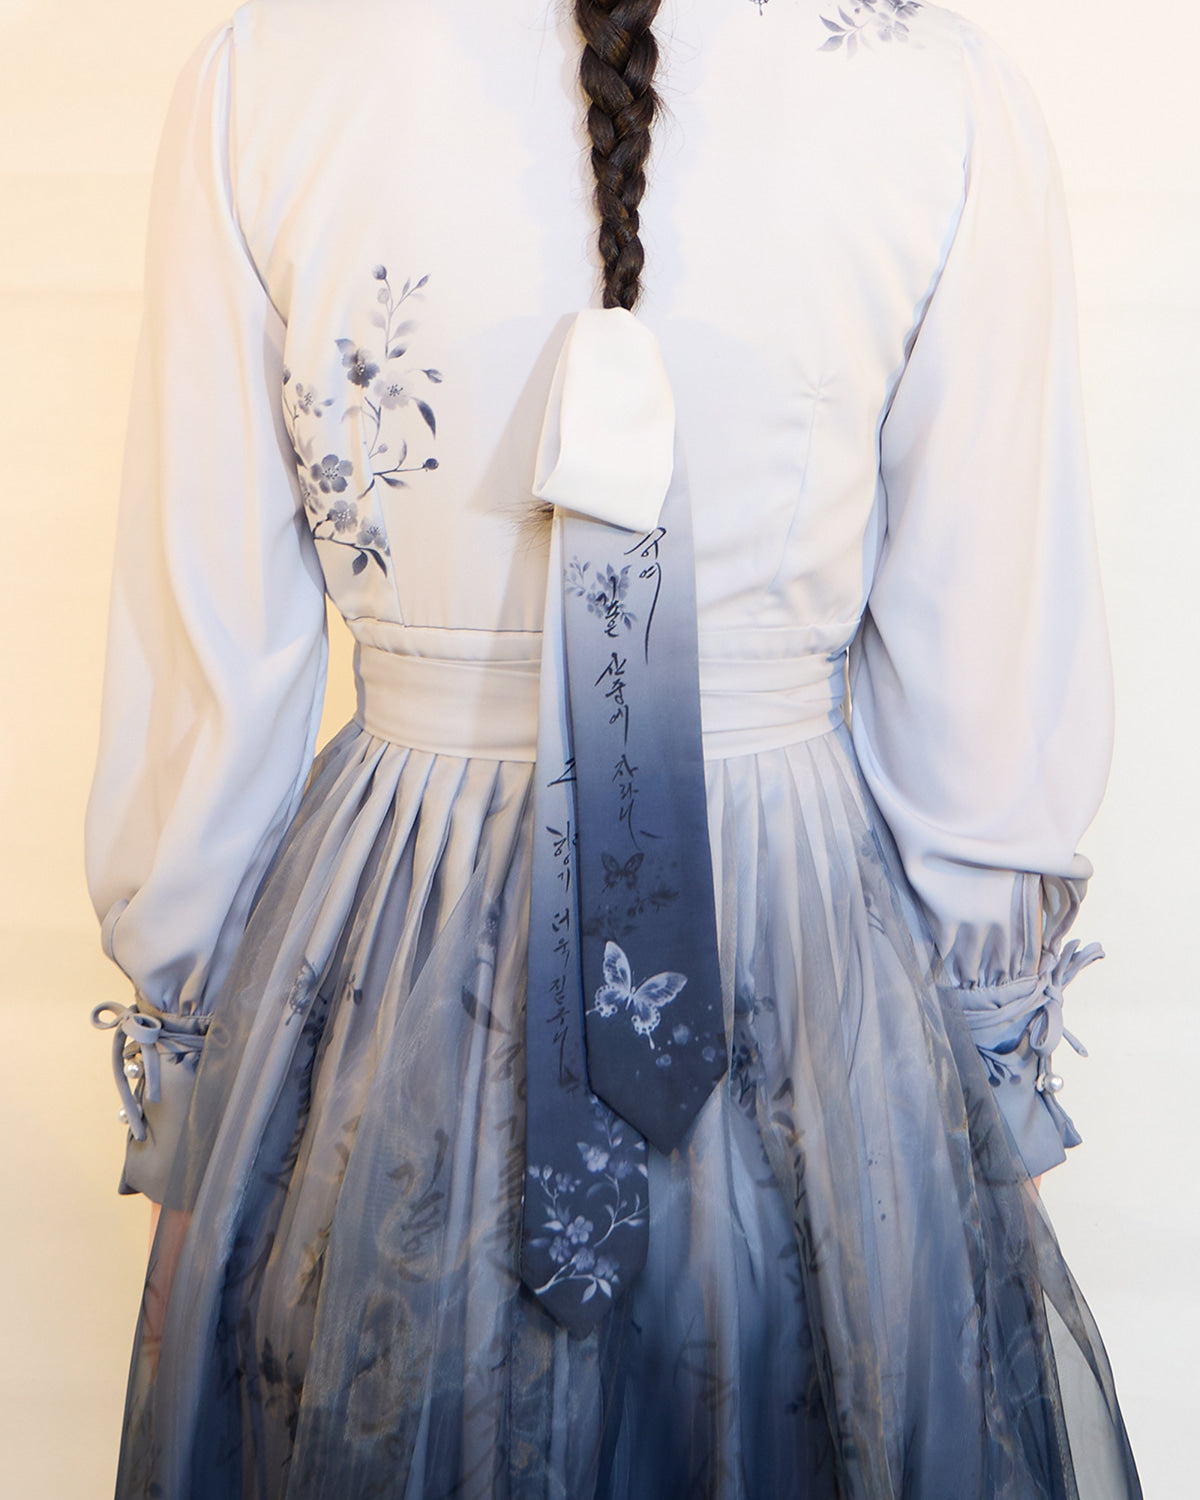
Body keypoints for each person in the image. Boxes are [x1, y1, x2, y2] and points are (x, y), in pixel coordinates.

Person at [85, 1, 1144, 1495]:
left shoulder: (271, 76)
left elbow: (210, 661)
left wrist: (199, 1108)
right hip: (794, 949)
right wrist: (982, 1102)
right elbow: (986, 663)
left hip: (393, 949)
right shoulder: (936, 92)